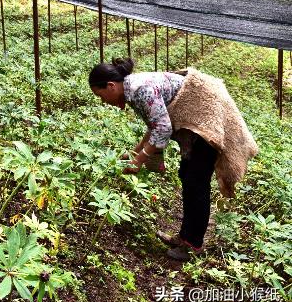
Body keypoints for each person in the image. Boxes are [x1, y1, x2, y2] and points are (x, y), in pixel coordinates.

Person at [88, 58, 258, 260]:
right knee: (187, 175)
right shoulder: (132, 90)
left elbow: (163, 128)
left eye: (101, 95)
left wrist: (140, 159)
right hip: (198, 122)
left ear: (111, 86)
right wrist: (135, 152)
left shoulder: (141, 90)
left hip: (207, 121)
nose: (103, 101)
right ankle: (184, 236)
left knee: (196, 183)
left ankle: (193, 245)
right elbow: (155, 123)